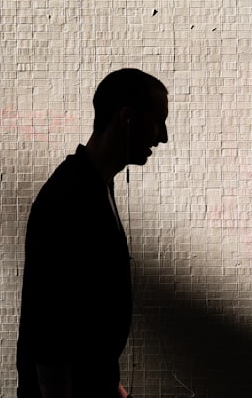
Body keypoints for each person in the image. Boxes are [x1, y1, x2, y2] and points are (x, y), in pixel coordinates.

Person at [16, 68, 169, 398]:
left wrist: (111, 386)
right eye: (158, 121)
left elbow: (87, 314)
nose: (163, 136)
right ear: (127, 118)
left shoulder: (97, 188)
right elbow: (51, 330)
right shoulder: (69, 198)